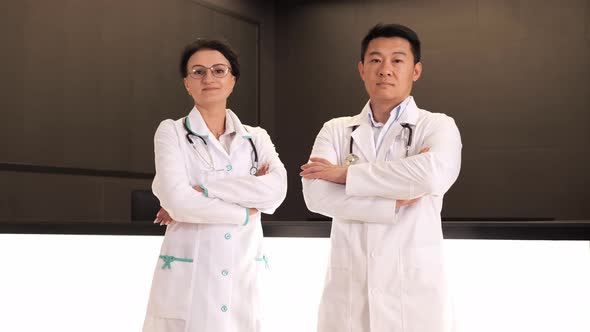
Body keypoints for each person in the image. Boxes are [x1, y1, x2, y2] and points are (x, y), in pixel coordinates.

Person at [300, 23, 462, 332]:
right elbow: (315, 196)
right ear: (362, 69)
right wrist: (392, 202)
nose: (385, 69)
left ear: (416, 70)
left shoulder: (437, 126)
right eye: (375, 60)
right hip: (349, 295)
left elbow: (431, 175)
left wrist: (343, 174)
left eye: (397, 60)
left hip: (413, 295)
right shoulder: (336, 129)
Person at [143, 39, 287, 332]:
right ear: (186, 83)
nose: (208, 78)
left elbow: (276, 192)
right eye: (198, 71)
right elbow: (178, 201)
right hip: (190, 279)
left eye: (218, 70)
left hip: (242, 271)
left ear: (232, 79)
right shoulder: (171, 131)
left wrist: (205, 187)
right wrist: (245, 211)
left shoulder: (256, 138)